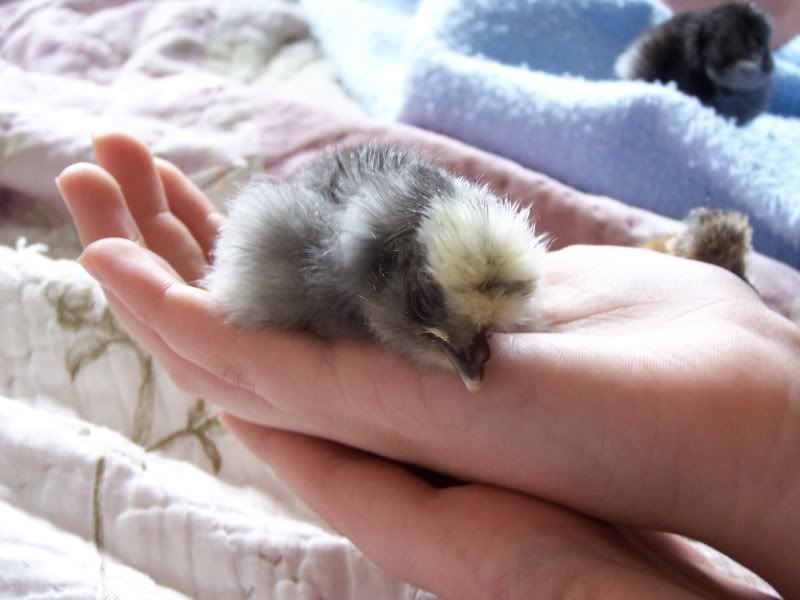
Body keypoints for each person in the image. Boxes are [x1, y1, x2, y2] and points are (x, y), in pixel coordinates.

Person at [57, 132, 799, 599]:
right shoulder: (295, 251)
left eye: (488, 330)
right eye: (448, 321)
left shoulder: (466, 282)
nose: (481, 356)